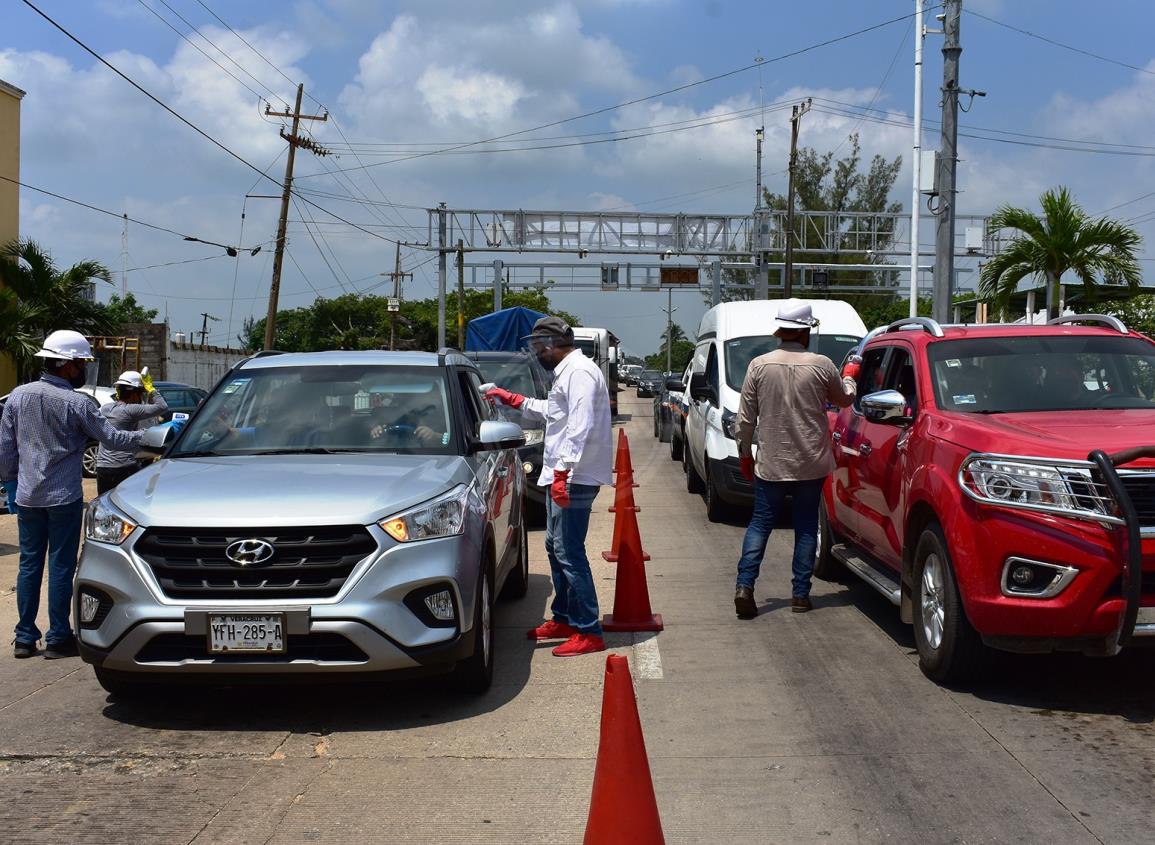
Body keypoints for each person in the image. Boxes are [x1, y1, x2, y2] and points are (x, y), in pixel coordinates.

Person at [0, 330, 146, 659]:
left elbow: (6, 451)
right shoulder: (77, 403)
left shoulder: (17, 397)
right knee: (62, 566)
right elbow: (112, 438)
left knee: (29, 565)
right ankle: (57, 637)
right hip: (63, 497)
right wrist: (156, 435)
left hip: (27, 497)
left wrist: (10, 484)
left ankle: (24, 637)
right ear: (66, 365)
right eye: (80, 363)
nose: (82, 369)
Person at [486, 316, 613, 657]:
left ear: (549, 345)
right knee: (556, 548)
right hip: (565, 474)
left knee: (570, 554)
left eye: (537, 347)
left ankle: (589, 629)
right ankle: (565, 617)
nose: (536, 353)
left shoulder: (580, 372)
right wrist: (513, 400)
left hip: (575, 477)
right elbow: (555, 413)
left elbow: (580, 425)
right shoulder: (568, 372)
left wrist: (562, 474)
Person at [732, 301, 861, 618]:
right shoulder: (821, 364)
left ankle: (745, 587)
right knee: (805, 526)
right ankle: (800, 595)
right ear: (806, 331)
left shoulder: (759, 366)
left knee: (760, 524)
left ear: (780, 330)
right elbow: (843, 399)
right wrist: (851, 376)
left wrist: (745, 454)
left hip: (772, 463)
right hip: (810, 463)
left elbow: (745, 420)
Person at [96, 369, 169, 494]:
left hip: (103, 467)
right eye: (141, 393)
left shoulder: (106, 408)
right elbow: (162, 406)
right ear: (135, 394)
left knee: (105, 503)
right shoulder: (131, 410)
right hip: (124, 467)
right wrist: (151, 389)